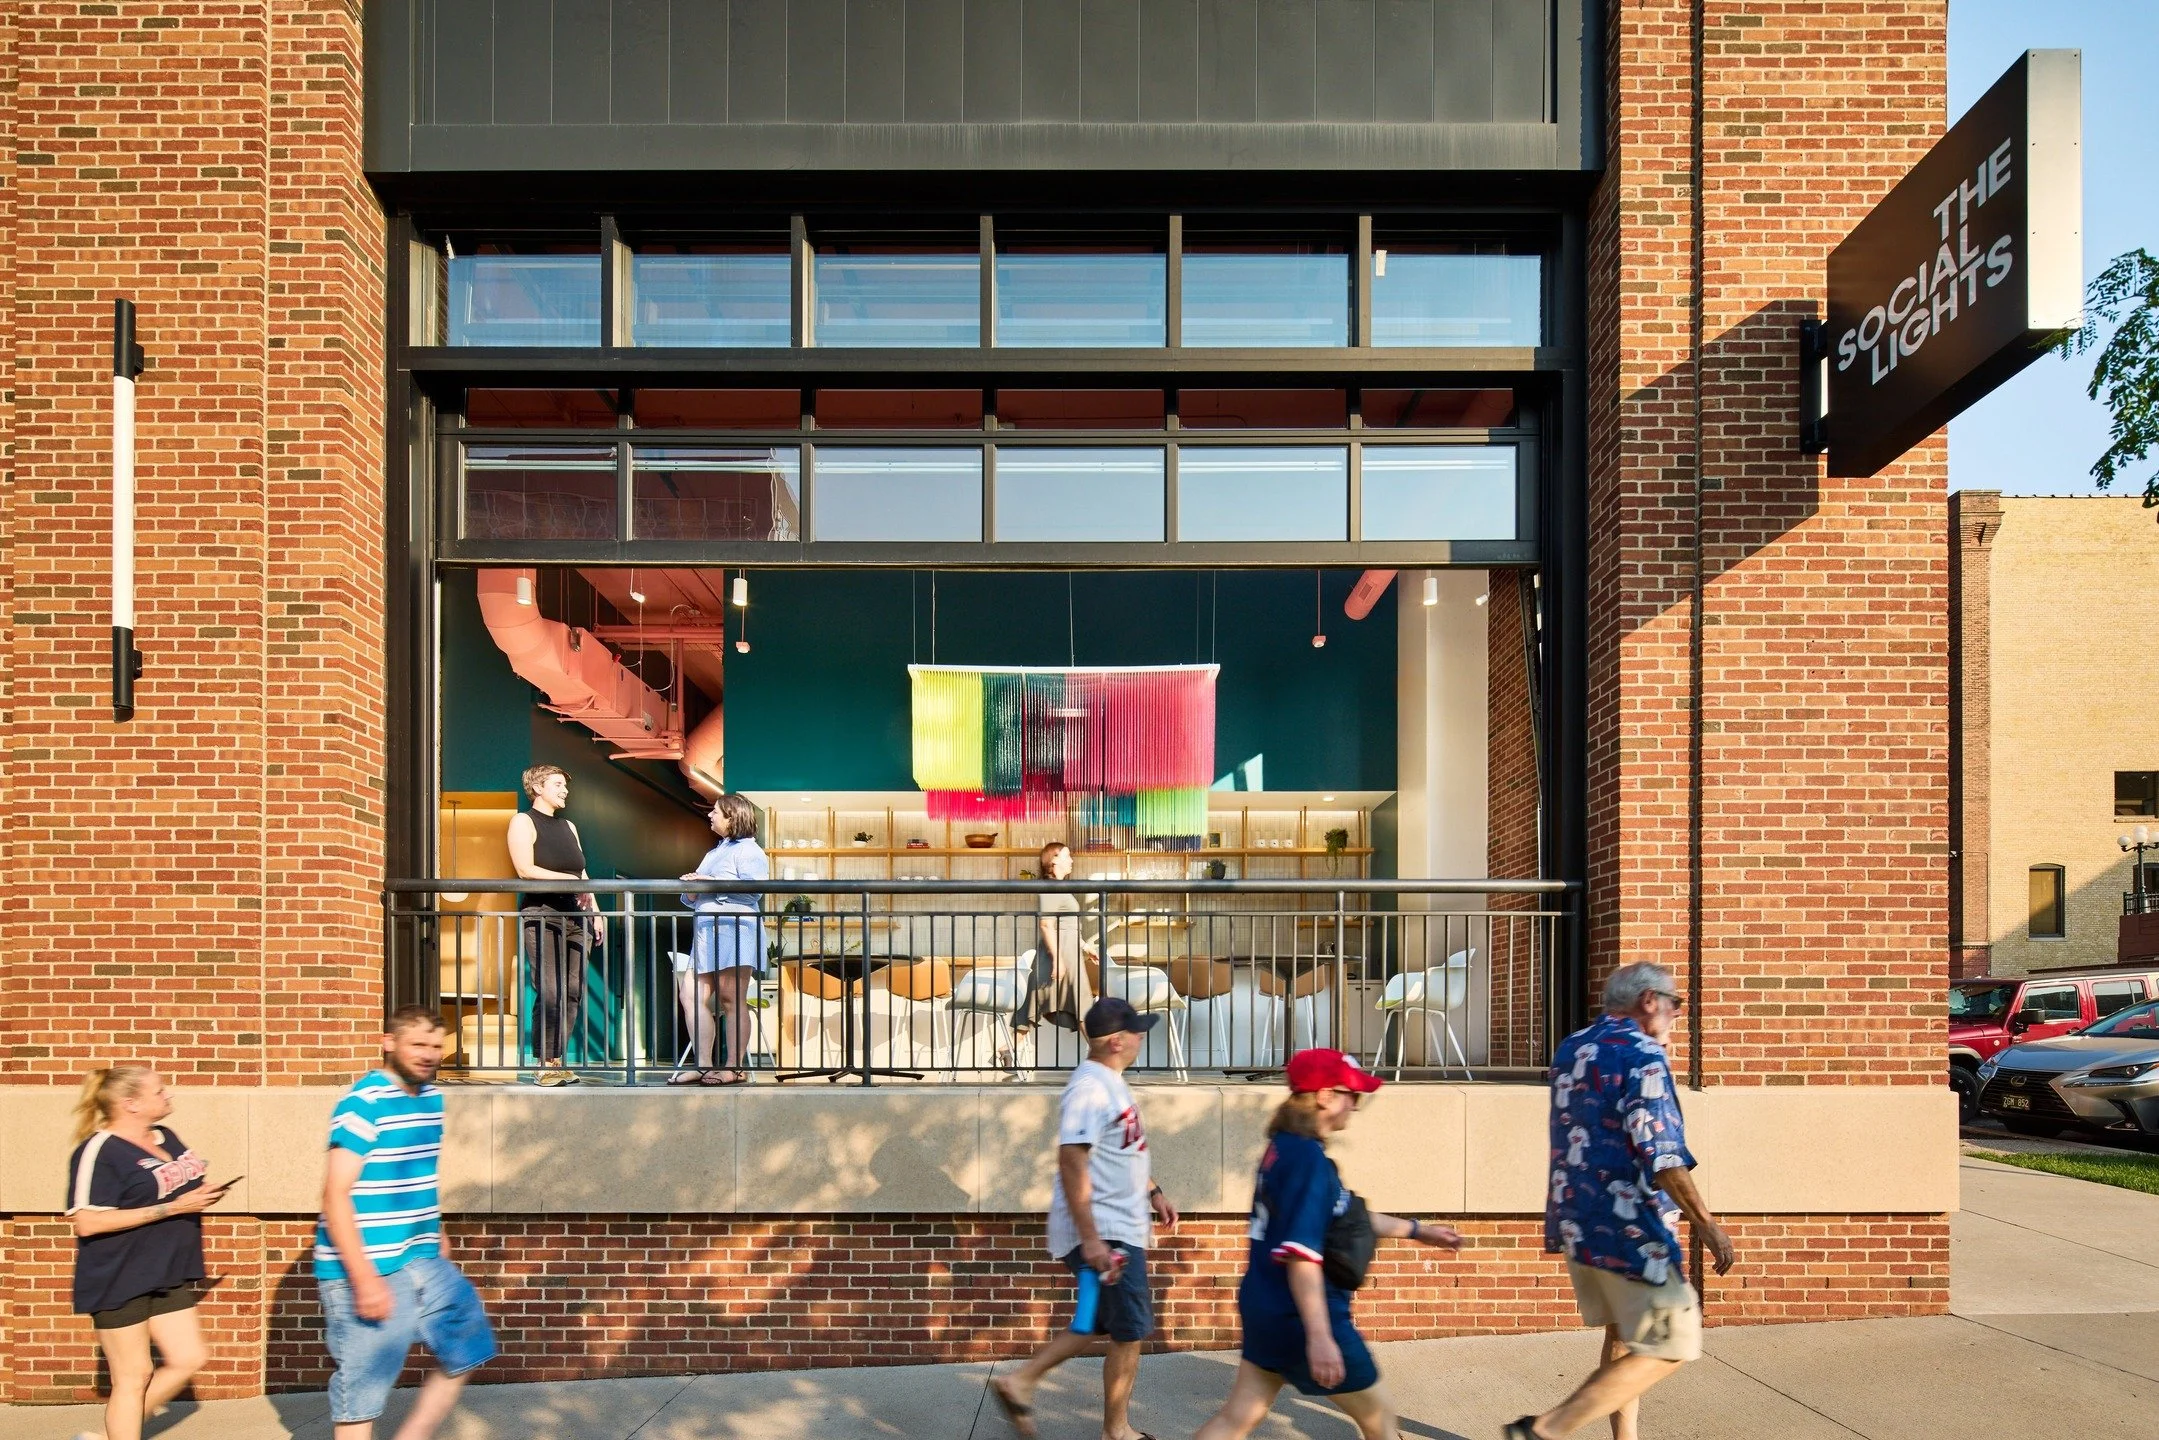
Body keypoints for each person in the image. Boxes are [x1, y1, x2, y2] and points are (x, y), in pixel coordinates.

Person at [1505, 962, 1735, 1440]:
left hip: (1578, 1223)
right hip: (1632, 1231)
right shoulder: (1642, 1056)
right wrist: (1707, 1224)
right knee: (1675, 1341)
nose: (1676, 1015)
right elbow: (1664, 1154)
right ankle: (1544, 1429)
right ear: (1650, 1002)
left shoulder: (1572, 1048)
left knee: (1624, 1336)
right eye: (1675, 1003)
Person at [1193, 1049, 1464, 1440]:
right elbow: (1301, 1255)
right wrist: (1320, 1338)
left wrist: (1418, 1230)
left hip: (1265, 1305)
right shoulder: (1307, 1161)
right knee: (1380, 1418)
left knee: (1238, 1417)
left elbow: (1339, 1216)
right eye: (1351, 1095)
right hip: (1302, 1315)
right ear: (1323, 1095)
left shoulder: (1284, 1149)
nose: (1355, 1106)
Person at [990, 997, 1177, 1440]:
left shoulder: (1110, 1082)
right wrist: (1092, 1241)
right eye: (1135, 1030)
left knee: (1097, 1322)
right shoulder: (1090, 1088)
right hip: (1105, 1232)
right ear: (1115, 1041)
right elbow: (1072, 1159)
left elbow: (1119, 1150)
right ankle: (1118, 1431)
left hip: (1116, 1226)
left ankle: (1020, 1382)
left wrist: (1153, 1190)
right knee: (1129, 1330)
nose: (1141, 1036)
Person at [318, 1005, 496, 1440]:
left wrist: (437, 1232)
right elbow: (334, 1195)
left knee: (468, 1345)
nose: (429, 1054)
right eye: (418, 1044)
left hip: (421, 1257)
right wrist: (364, 1279)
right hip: (367, 1266)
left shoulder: (432, 1099)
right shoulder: (363, 1103)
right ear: (389, 1043)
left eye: (437, 1046)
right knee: (362, 1393)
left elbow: (419, 1174)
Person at [64, 1065, 231, 1440]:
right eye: (159, 1091)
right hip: (118, 1275)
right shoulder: (98, 1151)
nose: (168, 1095)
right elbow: (87, 1222)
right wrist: (172, 1209)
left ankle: (113, 1435)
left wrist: (203, 1194)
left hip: (167, 1270)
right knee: (133, 1376)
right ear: (131, 1103)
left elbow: (183, 1185)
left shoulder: (165, 1136)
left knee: (189, 1358)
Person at [506, 763, 601, 1086]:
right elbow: (525, 870)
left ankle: (557, 1060)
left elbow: (583, 874)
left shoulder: (569, 827)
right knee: (549, 990)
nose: (565, 790)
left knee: (572, 991)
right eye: (558, 784)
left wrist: (596, 913)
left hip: (577, 918)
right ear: (538, 788)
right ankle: (544, 1064)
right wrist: (571, 881)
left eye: (565, 785)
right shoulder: (523, 822)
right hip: (542, 914)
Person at [674, 791, 770, 1085]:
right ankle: (703, 1065)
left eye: (716, 811)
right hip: (706, 932)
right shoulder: (715, 851)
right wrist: (692, 890)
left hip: (734, 929)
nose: (710, 815)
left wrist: (707, 883)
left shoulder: (750, 851)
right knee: (689, 995)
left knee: (731, 1000)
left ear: (732, 816)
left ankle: (733, 1066)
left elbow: (754, 890)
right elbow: (696, 893)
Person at [1012, 840, 1098, 1071]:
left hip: (1068, 956)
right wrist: (1058, 959)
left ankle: (1006, 1049)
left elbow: (1065, 926)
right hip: (1057, 959)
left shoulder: (1060, 887)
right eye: (1068, 855)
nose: (1072, 860)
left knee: (1078, 1006)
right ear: (1054, 859)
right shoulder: (1050, 887)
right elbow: (1047, 925)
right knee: (1042, 1004)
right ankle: (1102, 1064)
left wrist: (1084, 946)